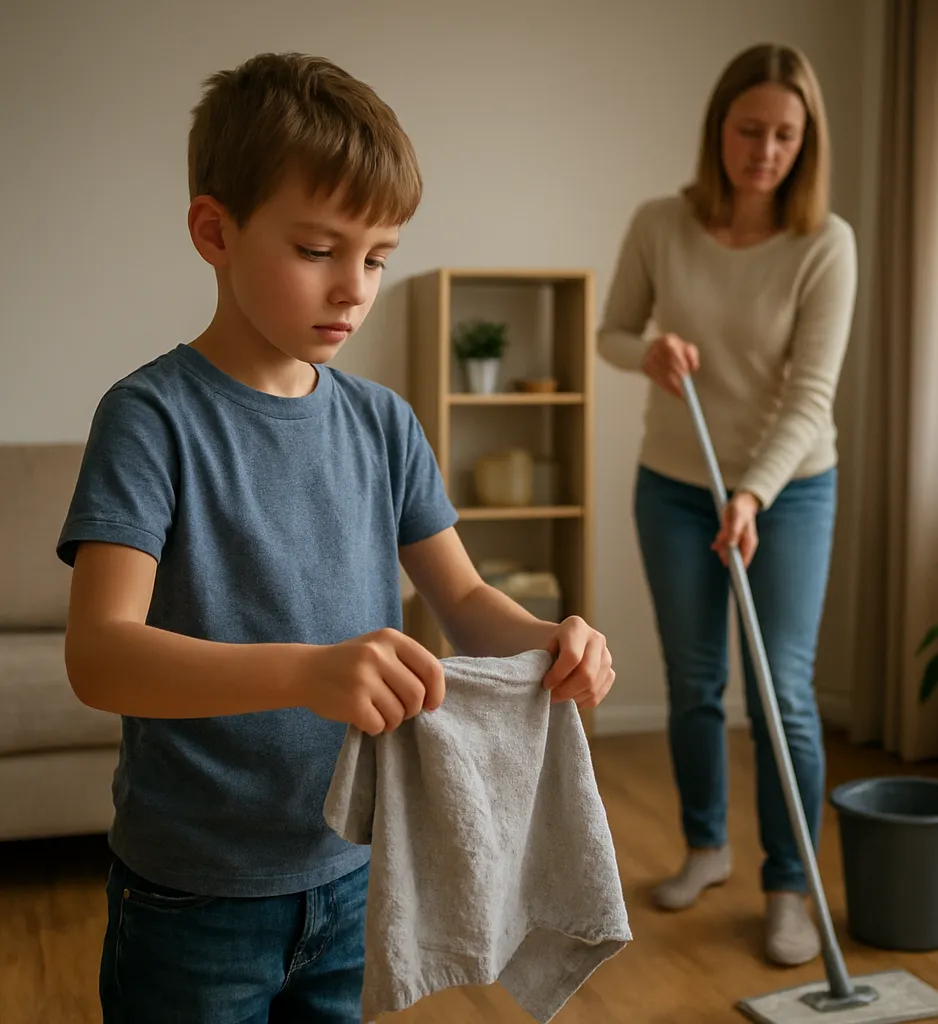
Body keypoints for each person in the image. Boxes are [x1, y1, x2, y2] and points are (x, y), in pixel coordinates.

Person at [58, 52, 615, 1024]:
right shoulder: (150, 419)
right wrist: (307, 672)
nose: (355, 288)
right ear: (214, 231)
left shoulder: (385, 423)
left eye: (378, 256)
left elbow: (467, 603)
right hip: (193, 896)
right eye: (318, 249)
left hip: (356, 869)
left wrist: (551, 640)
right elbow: (100, 656)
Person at [597, 43, 857, 967]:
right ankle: (707, 848)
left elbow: (810, 394)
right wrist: (651, 353)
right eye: (751, 129)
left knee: (783, 693)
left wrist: (753, 493)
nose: (766, 150)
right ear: (719, 128)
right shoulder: (661, 223)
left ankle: (789, 885)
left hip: (789, 491)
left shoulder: (825, 243)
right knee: (696, 681)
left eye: (787, 134)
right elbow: (612, 332)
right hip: (673, 484)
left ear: (806, 140)